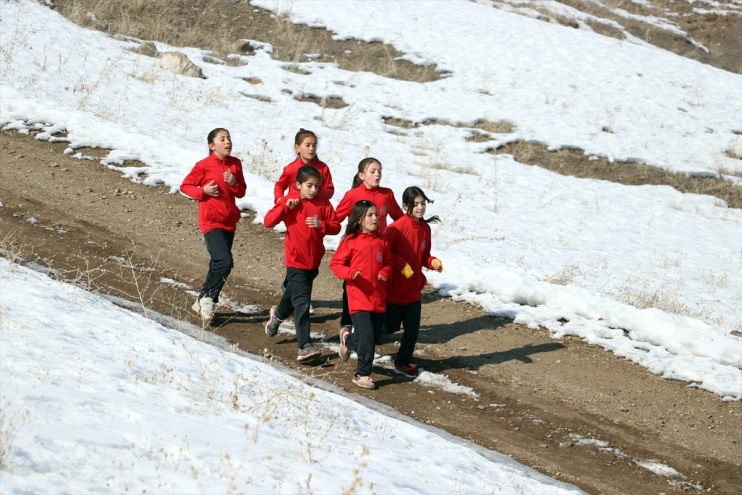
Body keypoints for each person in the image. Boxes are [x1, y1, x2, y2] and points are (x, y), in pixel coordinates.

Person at [264, 165, 341, 362]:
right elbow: (268, 222)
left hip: (313, 261)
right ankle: (304, 346)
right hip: (295, 260)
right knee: (302, 302)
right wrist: (284, 207)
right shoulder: (291, 201)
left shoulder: (323, 203)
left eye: (317, 186)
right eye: (309, 186)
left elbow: (336, 226)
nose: (314, 190)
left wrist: (321, 225)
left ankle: (277, 316)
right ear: (298, 185)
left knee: (293, 292)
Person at [180, 128, 247, 323]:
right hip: (210, 221)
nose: (228, 142)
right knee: (225, 261)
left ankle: (202, 299)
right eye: (222, 139)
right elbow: (185, 186)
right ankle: (209, 298)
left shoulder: (235, 164)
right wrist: (203, 190)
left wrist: (234, 182)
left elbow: (241, 192)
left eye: (229, 138)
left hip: (229, 221)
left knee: (217, 263)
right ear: (212, 146)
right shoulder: (203, 165)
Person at [334, 157, 404, 334]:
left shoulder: (387, 194)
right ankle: (347, 322)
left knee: (379, 282)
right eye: (372, 171)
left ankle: (376, 325)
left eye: (379, 171)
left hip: (379, 246)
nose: (377, 174)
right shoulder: (353, 195)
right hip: (355, 246)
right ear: (362, 175)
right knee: (352, 282)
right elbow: (336, 218)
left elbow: (399, 218)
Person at [330, 200, 392, 389]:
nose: (375, 218)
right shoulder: (351, 241)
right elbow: (336, 264)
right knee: (367, 337)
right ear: (359, 220)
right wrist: (350, 274)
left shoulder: (383, 241)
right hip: (357, 297)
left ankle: (348, 339)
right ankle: (362, 374)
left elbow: (389, 263)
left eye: (376, 214)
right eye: (370, 215)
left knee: (371, 336)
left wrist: (385, 272)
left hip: (377, 297)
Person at [384, 186, 443, 377]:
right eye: (415, 204)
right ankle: (359, 338)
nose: (420, 208)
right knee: (390, 327)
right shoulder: (395, 228)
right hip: (394, 290)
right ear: (405, 206)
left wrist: (432, 262)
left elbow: (424, 255)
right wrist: (401, 264)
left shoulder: (425, 229)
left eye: (423, 203)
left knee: (412, 330)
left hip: (414, 289)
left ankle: (402, 362)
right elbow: (384, 254)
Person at [273, 128, 334, 204]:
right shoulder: (291, 168)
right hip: (294, 210)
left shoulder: (323, 168)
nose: (311, 149)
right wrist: (279, 199)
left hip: (316, 210)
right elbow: (279, 186)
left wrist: (315, 187)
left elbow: (330, 192)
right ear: (297, 148)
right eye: (307, 145)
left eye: (314, 146)